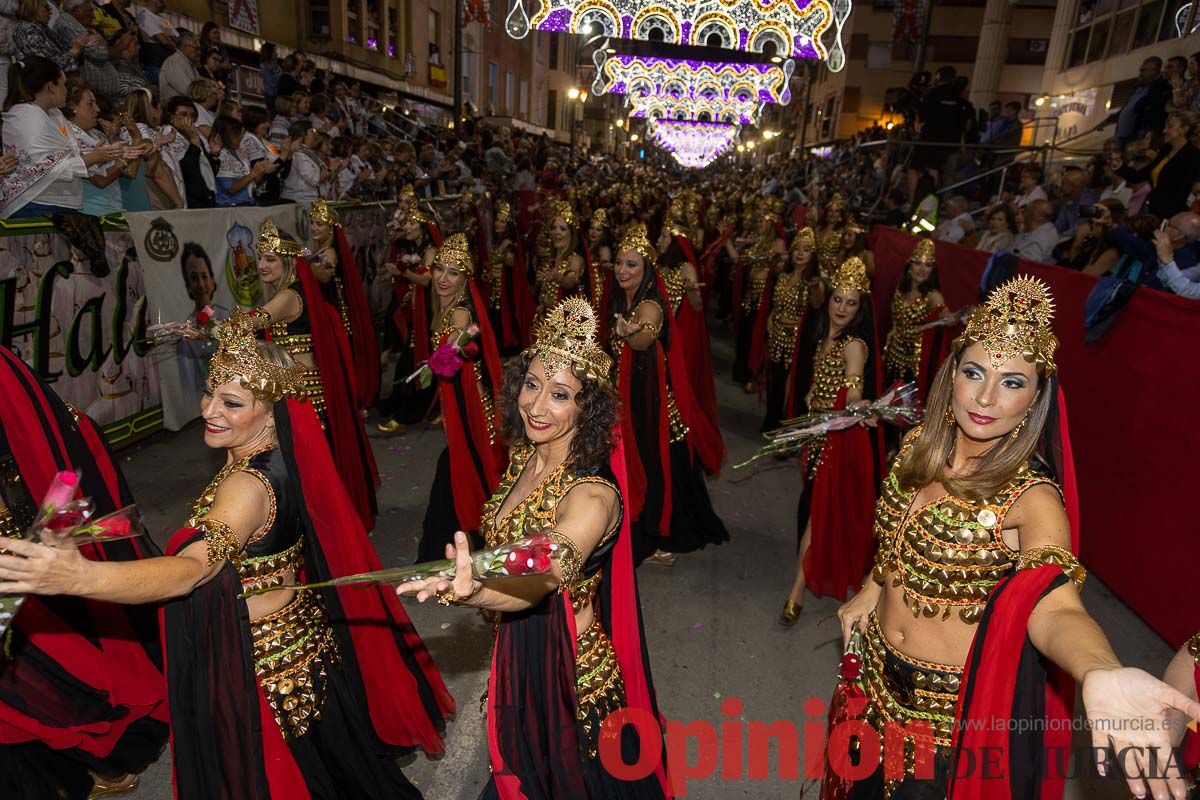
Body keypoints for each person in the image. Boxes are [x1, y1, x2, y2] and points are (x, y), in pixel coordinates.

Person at [0, 313, 454, 797]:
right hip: (301, 649)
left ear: (272, 411)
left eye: (231, 402)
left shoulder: (246, 486)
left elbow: (193, 571)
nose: (209, 409)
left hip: (262, 671)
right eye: (210, 392)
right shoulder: (277, 459)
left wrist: (76, 577)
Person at [829, 276, 1200, 798]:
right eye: (975, 372)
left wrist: (1099, 669)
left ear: (1035, 399)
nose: (985, 397)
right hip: (871, 682)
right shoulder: (916, 447)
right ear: (951, 373)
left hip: (944, 727)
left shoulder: (1031, 498)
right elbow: (896, 538)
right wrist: (872, 586)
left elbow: (1056, 608)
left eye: (1011, 382)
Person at [396, 298, 669, 800]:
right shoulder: (529, 453)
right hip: (520, 650)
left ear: (588, 408)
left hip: (568, 676)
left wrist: (474, 589)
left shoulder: (592, 495)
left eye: (561, 394)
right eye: (532, 384)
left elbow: (542, 578)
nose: (536, 406)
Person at [0, 344, 167, 800]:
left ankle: (103, 760)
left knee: (41, 678)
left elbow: (47, 469)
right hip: (28, 552)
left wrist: (41, 546)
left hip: (20, 558)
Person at [244, 218, 379, 530]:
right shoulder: (287, 292)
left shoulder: (289, 296)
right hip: (294, 389)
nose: (262, 265)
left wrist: (206, 327)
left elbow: (251, 322)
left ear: (288, 262)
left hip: (305, 393)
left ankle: (325, 526)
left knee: (310, 463)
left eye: (270, 259)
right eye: (260, 258)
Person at [609, 228, 728, 566]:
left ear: (646, 269)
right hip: (633, 401)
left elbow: (645, 338)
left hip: (651, 408)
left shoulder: (648, 305)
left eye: (631, 265)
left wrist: (630, 336)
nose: (622, 270)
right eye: (619, 262)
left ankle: (659, 541)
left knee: (655, 468)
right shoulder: (624, 298)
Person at [780, 257, 878, 624]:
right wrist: (810, 397)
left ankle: (796, 592)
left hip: (836, 437)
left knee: (816, 515)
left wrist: (856, 405)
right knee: (812, 506)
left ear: (860, 308)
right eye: (838, 299)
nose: (841, 308)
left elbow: (853, 385)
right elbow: (822, 382)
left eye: (851, 303)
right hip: (815, 433)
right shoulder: (826, 337)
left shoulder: (854, 345)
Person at [411, 233, 504, 562]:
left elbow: (458, 336)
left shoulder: (460, 312)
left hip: (475, 417)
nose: (443, 278)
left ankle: (450, 556)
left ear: (465, 280)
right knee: (459, 475)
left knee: (467, 476)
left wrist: (449, 349)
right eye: (440, 269)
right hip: (463, 414)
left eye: (453, 272)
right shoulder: (446, 307)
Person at [1, 56, 96, 218]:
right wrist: (96, 157)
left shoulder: (53, 114)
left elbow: (70, 153)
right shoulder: (29, 118)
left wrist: (102, 154)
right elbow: (49, 168)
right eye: (64, 84)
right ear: (51, 87)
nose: (66, 90)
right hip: (36, 203)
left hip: (57, 202)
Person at [308, 199, 380, 405]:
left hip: (335, 314)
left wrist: (302, 267)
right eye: (312, 222)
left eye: (319, 224)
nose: (314, 227)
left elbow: (324, 276)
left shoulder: (329, 252)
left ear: (331, 228)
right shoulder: (319, 251)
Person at [762, 226, 823, 432]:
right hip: (777, 335)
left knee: (792, 382)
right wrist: (771, 317)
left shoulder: (812, 282)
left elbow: (817, 304)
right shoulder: (783, 277)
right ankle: (772, 417)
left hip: (797, 340)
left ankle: (785, 425)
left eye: (805, 250)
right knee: (775, 379)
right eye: (797, 248)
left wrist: (815, 287)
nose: (799, 253)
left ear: (812, 255)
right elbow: (776, 304)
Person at [883, 239, 951, 402]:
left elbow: (945, 318)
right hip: (893, 353)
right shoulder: (900, 289)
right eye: (918, 264)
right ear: (909, 266)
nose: (922, 269)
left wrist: (949, 318)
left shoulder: (933, 296)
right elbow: (895, 318)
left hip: (914, 359)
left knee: (906, 404)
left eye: (928, 265)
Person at [1118, 110, 1200, 220]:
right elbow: (1140, 176)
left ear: (1183, 129)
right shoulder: (1165, 150)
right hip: (1153, 211)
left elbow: (1182, 193)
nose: (1165, 130)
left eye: (1170, 126)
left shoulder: (1192, 156)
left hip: (1171, 216)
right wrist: (1118, 165)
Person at [1116, 57, 1172, 145]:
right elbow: (1127, 108)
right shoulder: (1139, 88)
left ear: (1154, 71)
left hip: (1138, 136)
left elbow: (1141, 107)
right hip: (1122, 135)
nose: (1140, 73)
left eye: (1143, 70)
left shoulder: (1160, 88)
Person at [1010, 199, 1059, 263]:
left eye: (1026, 211)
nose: (1024, 214)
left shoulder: (1043, 237)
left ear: (1034, 215)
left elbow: (1028, 264)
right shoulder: (1029, 230)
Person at [157, 28, 197, 104]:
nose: (197, 51)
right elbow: (188, 90)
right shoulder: (174, 61)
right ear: (186, 47)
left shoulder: (187, 62)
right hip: (175, 107)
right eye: (195, 48)